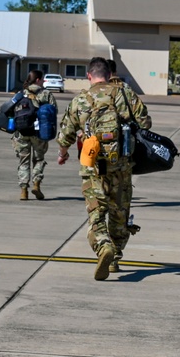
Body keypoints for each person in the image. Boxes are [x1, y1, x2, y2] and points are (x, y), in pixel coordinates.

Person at [56, 56, 151, 280]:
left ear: (90, 76)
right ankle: (115, 258)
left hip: (92, 167)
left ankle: (102, 246)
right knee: (119, 213)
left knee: (96, 214)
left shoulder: (80, 99)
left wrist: (63, 154)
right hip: (121, 165)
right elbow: (145, 123)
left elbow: (64, 135)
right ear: (109, 75)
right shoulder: (125, 94)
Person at [13, 70, 57, 200]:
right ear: (37, 79)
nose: (43, 81)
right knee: (39, 159)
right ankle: (36, 184)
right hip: (39, 132)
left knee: (23, 161)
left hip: (22, 132)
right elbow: (53, 111)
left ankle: (23, 190)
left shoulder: (20, 94)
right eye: (42, 79)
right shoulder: (46, 94)